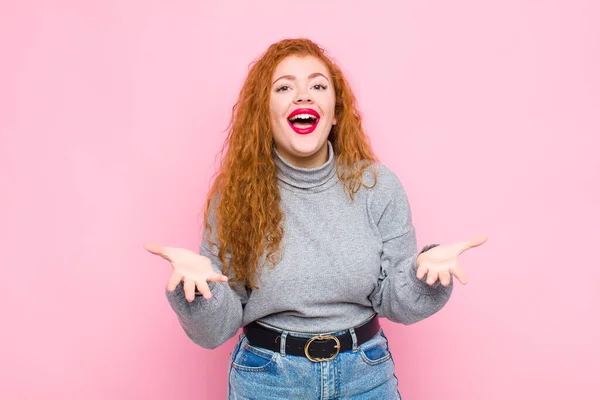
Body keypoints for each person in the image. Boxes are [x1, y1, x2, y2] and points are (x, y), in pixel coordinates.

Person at [144, 38, 487, 399]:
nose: (303, 96)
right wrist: (200, 293)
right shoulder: (235, 197)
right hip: (267, 381)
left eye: (318, 86)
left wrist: (424, 276)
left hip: (365, 377)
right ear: (264, 112)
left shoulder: (378, 186)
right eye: (284, 87)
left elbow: (393, 301)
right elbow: (215, 331)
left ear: (335, 110)